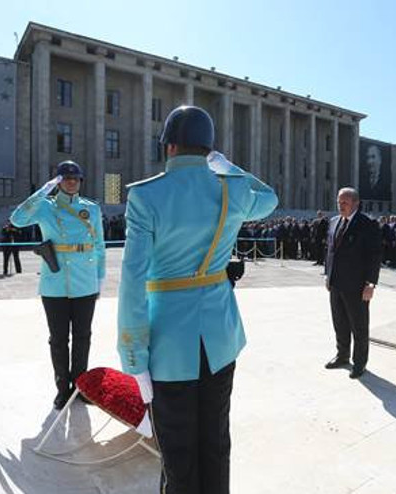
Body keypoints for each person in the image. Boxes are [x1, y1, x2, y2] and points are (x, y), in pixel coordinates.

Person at [116, 105, 277, 493]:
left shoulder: (145, 196)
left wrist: (134, 355)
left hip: (169, 344)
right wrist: (228, 166)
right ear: (208, 149)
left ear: (168, 147)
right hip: (221, 338)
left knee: (178, 451)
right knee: (216, 441)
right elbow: (270, 198)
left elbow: (133, 281)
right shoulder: (232, 188)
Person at [10, 161, 105, 409]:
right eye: (66, 178)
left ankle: (81, 388)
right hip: (55, 283)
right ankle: (63, 389)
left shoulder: (91, 209)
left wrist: (100, 278)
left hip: (85, 282)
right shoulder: (44, 207)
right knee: (59, 339)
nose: (72, 182)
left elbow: (100, 246)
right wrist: (43, 191)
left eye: (76, 178)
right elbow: (17, 219)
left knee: (83, 337)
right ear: (58, 181)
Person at [324, 188, 382, 379]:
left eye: (345, 202)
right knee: (339, 323)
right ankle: (342, 356)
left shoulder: (367, 224)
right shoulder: (334, 222)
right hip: (336, 283)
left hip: (357, 286)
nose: (341, 205)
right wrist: (328, 275)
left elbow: (374, 255)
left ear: (356, 203)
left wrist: (370, 283)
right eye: (339, 202)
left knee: (359, 326)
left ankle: (359, 363)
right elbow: (330, 251)